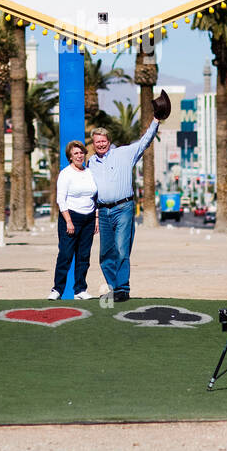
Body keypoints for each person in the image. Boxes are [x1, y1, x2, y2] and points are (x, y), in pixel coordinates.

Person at [87, 90, 169, 302]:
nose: (101, 145)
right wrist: (95, 215)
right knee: (106, 253)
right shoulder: (91, 163)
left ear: (109, 140)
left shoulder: (124, 153)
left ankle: (123, 288)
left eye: (103, 141)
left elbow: (145, 141)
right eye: (97, 142)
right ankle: (113, 287)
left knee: (122, 249)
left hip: (123, 208)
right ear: (93, 144)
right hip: (103, 211)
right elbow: (90, 192)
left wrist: (156, 120)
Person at [51, 140, 98, 300]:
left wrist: (96, 218)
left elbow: (96, 196)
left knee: (84, 256)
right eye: (75, 154)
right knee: (65, 254)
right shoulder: (65, 174)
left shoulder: (90, 172)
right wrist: (69, 221)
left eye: (81, 153)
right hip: (70, 218)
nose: (79, 156)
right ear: (70, 157)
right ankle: (57, 289)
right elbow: (60, 199)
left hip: (89, 219)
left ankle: (80, 290)